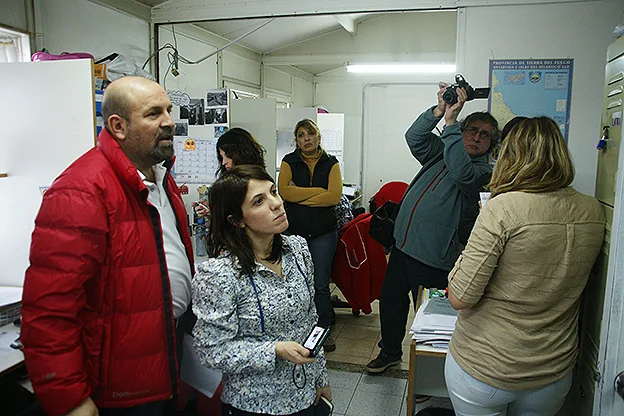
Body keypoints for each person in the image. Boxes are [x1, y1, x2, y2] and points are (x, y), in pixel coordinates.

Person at [20, 76, 195, 416]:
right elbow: (49, 311)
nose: (169, 122)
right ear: (118, 126)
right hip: (118, 386)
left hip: (164, 359)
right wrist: (69, 399)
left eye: (169, 111)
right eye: (153, 113)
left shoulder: (161, 178)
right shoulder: (81, 191)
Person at [444, 117, 605, 415]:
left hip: (488, 366)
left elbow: (460, 296)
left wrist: (483, 224)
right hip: (552, 370)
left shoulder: (503, 207)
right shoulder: (592, 209)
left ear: (509, 155)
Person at [366, 83, 500, 378]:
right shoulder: (441, 151)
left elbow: (461, 172)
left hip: (435, 256)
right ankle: (389, 351)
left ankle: (429, 375)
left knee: (431, 319)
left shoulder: (484, 171)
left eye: (484, 135)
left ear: (492, 144)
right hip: (402, 246)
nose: (476, 137)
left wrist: (452, 125)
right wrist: (439, 111)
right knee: (391, 303)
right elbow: (413, 137)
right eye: (472, 130)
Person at [192, 165, 332, 415]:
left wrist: (320, 378)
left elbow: (310, 321)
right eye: (259, 201)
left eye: (274, 193)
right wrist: (274, 349)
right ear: (236, 220)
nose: (276, 204)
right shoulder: (221, 274)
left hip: (304, 394)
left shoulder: (297, 250)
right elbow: (211, 351)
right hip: (255, 404)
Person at [278, 118, 343, 351]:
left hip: (323, 233)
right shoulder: (289, 161)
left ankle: (323, 331)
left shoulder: (331, 163)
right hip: (293, 233)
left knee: (320, 285)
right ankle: (298, 329)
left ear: (318, 137)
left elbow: (334, 197)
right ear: (296, 140)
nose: (306, 139)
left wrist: (301, 195)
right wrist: (318, 193)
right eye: (301, 135)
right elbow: (285, 192)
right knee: (295, 283)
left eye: (310, 134)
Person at [193, 127, 266, 217]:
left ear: (242, 154)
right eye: (222, 157)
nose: (224, 162)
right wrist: (211, 213)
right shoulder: (228, 184)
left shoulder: (258, 182)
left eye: (227, 156)